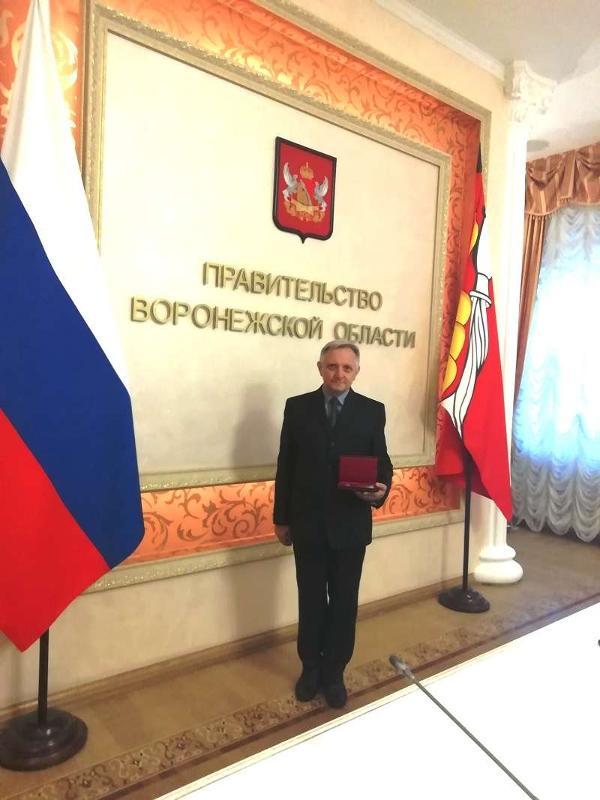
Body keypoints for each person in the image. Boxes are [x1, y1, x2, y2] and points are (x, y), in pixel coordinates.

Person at [274, 339, 393, 708]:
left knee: (344, 603)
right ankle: (310, 668)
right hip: (307, 525)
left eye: (346, 367)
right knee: (310, 600)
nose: (338, 373)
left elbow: (383, 463)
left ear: (356, 372)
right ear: (320, 368)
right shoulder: (297, 407)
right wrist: (281, 518)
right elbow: (285, 465)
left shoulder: (372, 411)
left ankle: (334, 672)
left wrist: (381, 489)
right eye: (332, 366)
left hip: (350, 527)